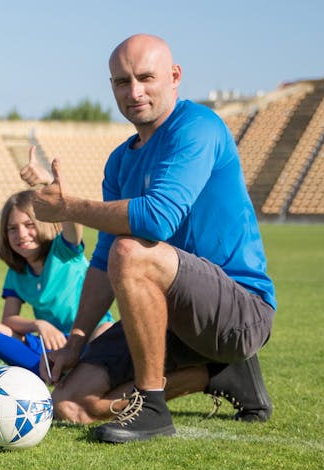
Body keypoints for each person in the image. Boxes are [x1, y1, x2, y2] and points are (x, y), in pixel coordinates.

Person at [30, 34, 275, 443]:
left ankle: (153, 407)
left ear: (175, 77)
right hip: (168, 319)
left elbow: (157, 219)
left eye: (145, 78)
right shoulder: (120, 160)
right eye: (122, 82)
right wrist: (75, 341)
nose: (135, 91)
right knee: (68, 405)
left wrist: (70, 208)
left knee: (133, 249)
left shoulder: (198, 127)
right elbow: (105, 257)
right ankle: (216, 374)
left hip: (238, 312)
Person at [0, 182, 112, 378]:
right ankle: (47, 370)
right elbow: (9, 319)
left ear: (44, 224)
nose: (22, 234)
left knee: (107, 330)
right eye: (12, 228)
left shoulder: (63, 251)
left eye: (29, 225)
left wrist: (54, 189)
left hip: (86, 338)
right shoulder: (16, 272)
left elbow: (73, 223)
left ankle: (62, 371)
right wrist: (39, 325)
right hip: (50, 343)